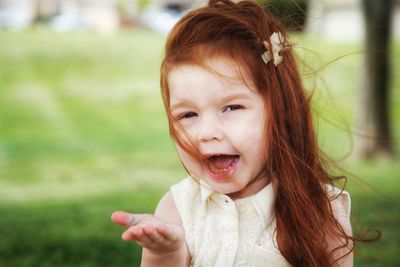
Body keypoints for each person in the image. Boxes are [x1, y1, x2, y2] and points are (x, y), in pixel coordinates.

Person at [111, 0, 354, 266]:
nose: (207, 133)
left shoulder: (320, 208)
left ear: (279, 109)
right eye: (188, 115)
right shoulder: (177, 209)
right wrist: (165, 254)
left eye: (231, 107)